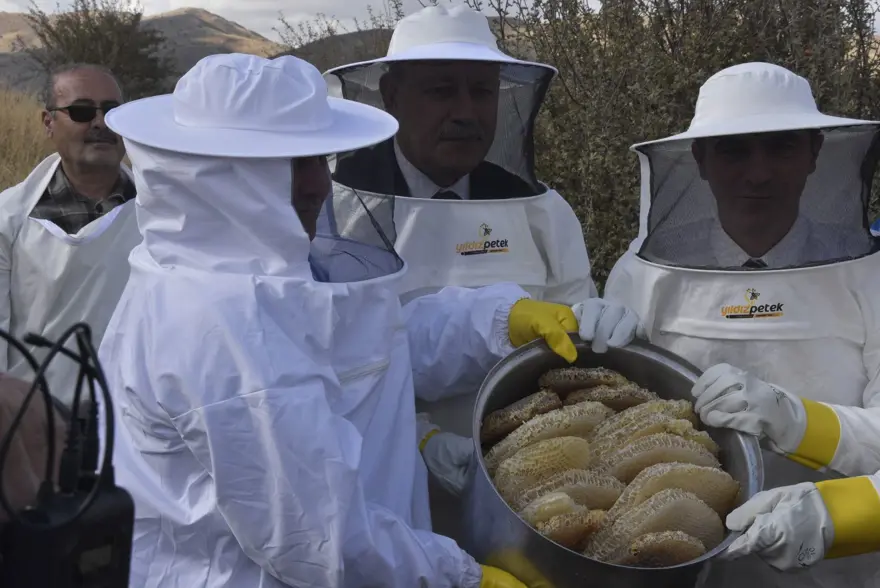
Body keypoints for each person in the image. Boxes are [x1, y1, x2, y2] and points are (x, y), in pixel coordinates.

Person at [98, 52, 581, 588]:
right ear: (218, 177)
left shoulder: (234, 273)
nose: (318, 186)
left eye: (316, 160)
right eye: (291, 164)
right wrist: (460, 578)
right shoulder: (218, 322)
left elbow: (368, 348)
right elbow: (319, 539)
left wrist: (496, 319)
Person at [324, 3, 638, 540]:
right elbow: (330, 365)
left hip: (533, 493)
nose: (466, 112)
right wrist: (418, 440)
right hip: (384, 501)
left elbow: (571, 344)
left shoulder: (541, 209)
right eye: (442, 90)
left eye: (482, 91)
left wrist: (597, 321)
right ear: (392, 95)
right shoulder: (336, 212)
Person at [603, 61, 880, 587]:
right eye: (734, 149)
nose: (758, 173)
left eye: (780, 147)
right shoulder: (644, 273)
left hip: (836, 565)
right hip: (685, 561)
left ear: (814, 153)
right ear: (700, 160)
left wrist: (795, 420)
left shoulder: (871, 274)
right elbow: (620, 425)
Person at [0, 63, 139, 419]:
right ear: (48, 123)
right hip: (34, 428)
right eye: (81, 111)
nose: (100, 123)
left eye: (112, 111)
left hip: (138, 431)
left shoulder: (165, 214)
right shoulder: (9, 217)